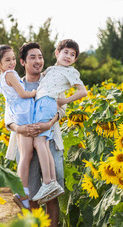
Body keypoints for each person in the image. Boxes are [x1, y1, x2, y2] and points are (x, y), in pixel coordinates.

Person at [31, 39, 87, 201]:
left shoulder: (71, 72)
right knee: (43, 143)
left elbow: (83, 92)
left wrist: (64, 101)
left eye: (73, 55)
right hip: (42, 102)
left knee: (39, 142)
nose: (69, 56)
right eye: (66, 52)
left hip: (48, 102)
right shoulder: (50, 69)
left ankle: (48, 182)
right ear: (57, 53)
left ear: (75, 60)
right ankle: (52, 181)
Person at [0, 44, 38, 210]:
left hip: (18, 114)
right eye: (7, 60)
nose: (12, 62)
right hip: (24, 114)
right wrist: (35, 93)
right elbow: (23, 94)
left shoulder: (2, 78)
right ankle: (22, 193)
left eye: (13, 59)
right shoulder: (11, 74)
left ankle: (23, 194)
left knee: (25, 155)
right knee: (26, 155)